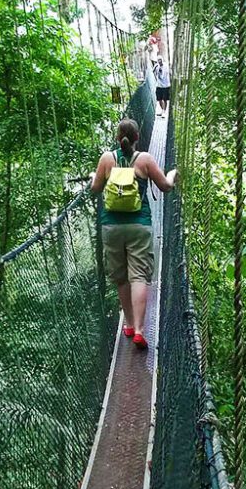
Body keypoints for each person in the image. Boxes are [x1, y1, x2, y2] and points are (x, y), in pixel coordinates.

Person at [91, 119, 177, 349]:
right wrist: (172, 175)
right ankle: (139, 330)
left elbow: (95, 189)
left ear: (118, 138)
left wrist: (94, 176)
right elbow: (165, 187)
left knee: (121, 277)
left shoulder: (107, 159)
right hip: (139, 225)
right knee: (139, 276)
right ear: (137, 137)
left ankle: (128, 324)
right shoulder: (145, 160)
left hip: (111, 227)